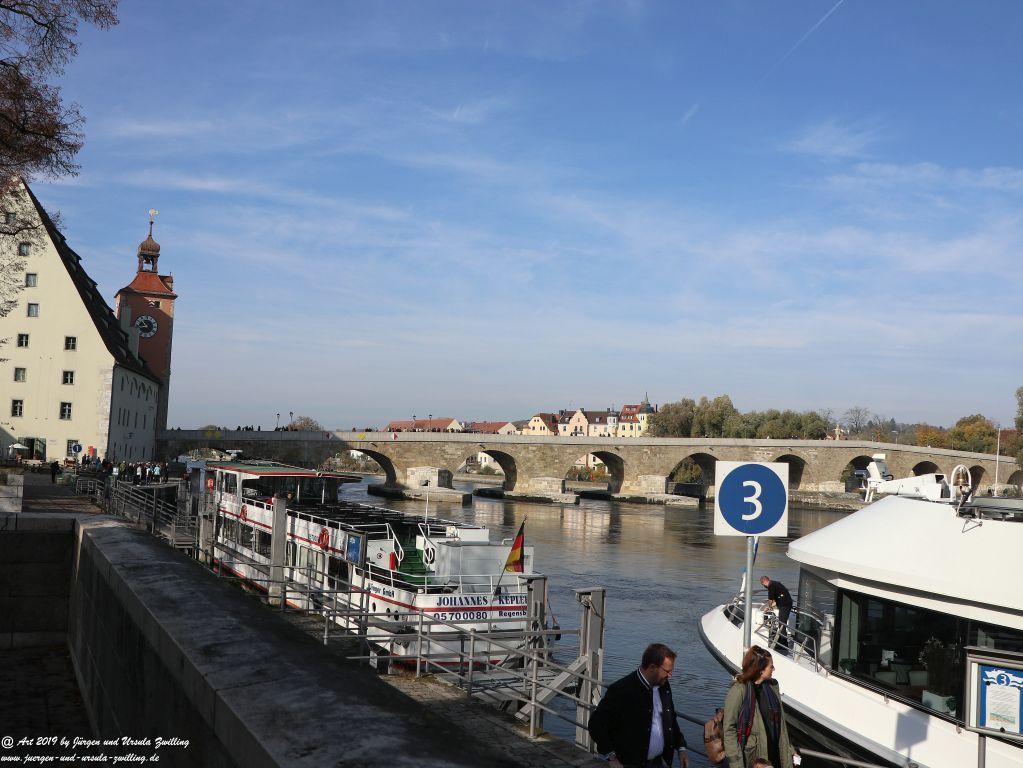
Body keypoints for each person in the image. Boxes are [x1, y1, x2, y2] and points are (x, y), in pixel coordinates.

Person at [589, 643, 688, 768]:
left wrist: (681, 747)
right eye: (667, 671)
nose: (670, 676)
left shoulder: (664, 687)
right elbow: (596, 725)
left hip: (659, 762)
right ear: (652, 667)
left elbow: (670, 719)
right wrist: (611, 756)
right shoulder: (621, 690)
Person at [723, 646, 797, 768]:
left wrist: (790, 750)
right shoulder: (739, 690)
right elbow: (729, 729)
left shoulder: (772, 687)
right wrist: (736, 764)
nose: (774, 669)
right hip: (754, 760)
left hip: (775, 757)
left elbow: (780, 726)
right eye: (771, 666)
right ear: (761, 670)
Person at [760, 576, 793, 650]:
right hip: (785, 604)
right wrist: (770, 607)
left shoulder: (771, 586)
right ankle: (781, 640)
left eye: (763, 585)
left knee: (782, 624)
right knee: (782, 623)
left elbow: (770, 599)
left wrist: (769, 606)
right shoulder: (775, 584)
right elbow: (776, 598)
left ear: (763, 582)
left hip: (785, 605)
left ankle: (783, 644)